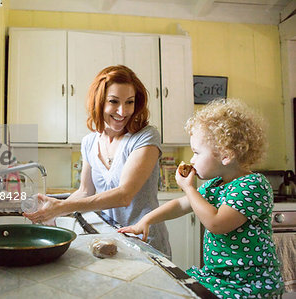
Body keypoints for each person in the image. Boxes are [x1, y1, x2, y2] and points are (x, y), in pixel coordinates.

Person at [118, 99, 284, 298]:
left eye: (196, 153)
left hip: (249, 283)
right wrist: (146, 220)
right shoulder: (215, 185)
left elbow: (216, 223)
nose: (192, 160)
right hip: (216, 276)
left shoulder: (252, 185)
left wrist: (189, 188)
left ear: (225, 155)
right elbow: (180, 205)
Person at [24, 65, 171, 256]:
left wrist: (61, 207)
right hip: (110, 239)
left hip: (145, 241)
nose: (122, 111)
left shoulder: (145, 137)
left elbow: (124, 195)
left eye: (129, 102)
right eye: (114, 101)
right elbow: (85, 191)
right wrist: (51, 209)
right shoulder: (89, 142)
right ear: (99, 102)